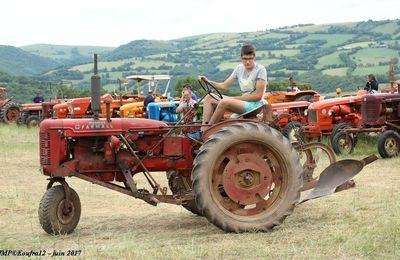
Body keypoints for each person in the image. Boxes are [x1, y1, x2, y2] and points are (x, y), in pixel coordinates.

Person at [188, 44, 268, 141]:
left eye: (250, 59)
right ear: (241, 57)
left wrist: (232, 99)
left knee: (225, 102)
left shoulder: (260, 70)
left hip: (255, 105)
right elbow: (224, 85)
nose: (247, 62)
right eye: (244, 59)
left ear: (254, 57)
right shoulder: (239, 68)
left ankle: (207, 132)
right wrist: (208, 81)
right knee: (209, 97)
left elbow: (257, 96)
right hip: (244, 102)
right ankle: (202, 130)